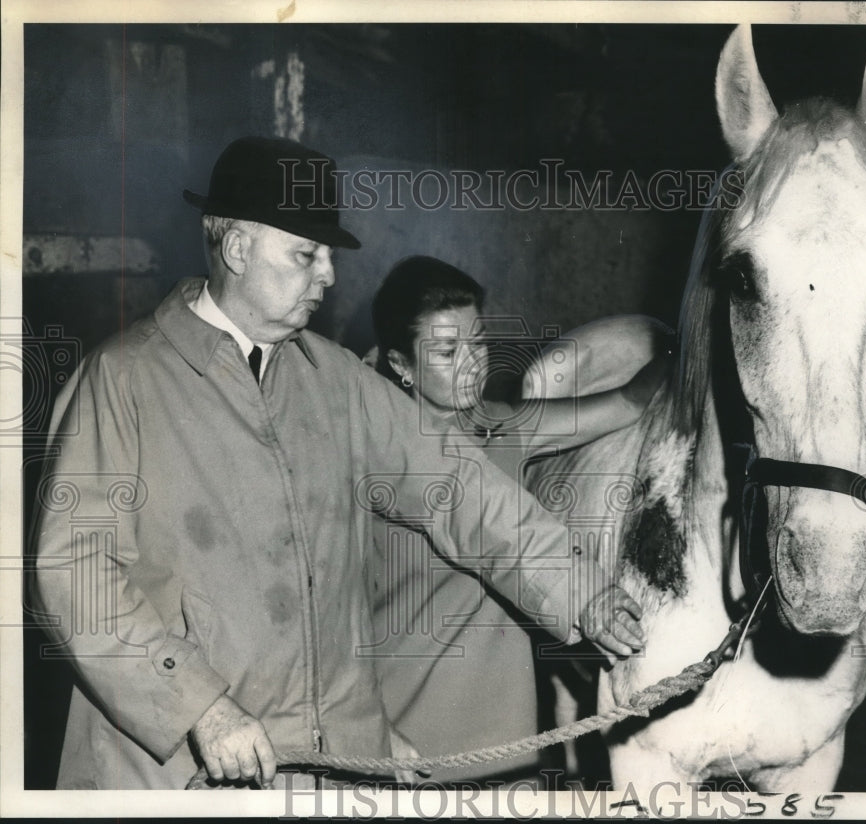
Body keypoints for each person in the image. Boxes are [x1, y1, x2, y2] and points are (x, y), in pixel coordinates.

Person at [29, 137, 645, 790]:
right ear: (237, 248)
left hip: (321, 772)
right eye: (307, 254)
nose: (328, 274)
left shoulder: (334, 383)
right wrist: (199, 707)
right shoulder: (125, 380)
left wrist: (583, 593)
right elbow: (77, 577)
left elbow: (462, 489)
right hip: (175, 776)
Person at [366, 256, 667, 783]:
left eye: (477, 343)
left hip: (507, 739)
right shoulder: (374, 454)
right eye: (446, 351)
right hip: (404, 728)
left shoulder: (505, 428)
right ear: (401, 365)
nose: (471, 365)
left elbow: (628, 401)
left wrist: (693, 334)